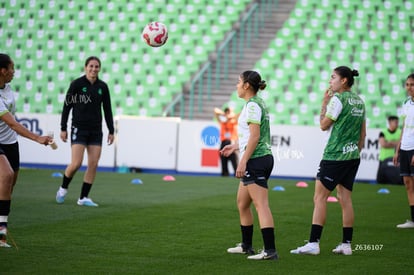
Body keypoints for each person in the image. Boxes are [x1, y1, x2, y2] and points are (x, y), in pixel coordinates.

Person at [290, 66, 366, 256]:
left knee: (319, 197)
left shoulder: (337, 99)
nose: (330, 81)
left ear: (344, 81)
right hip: (352, 156)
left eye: (333, 77)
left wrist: (325, 102)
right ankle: (346, 244)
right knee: (345, 199)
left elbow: (324, 125)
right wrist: (354, 152)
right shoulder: (360, 101)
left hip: (334, 156)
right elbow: (362, 133)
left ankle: (313, 243)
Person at [221, 70, 278, 260]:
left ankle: (270, 251)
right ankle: (246, 246)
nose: (236, 85)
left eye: (238, 82)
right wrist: (235, 146)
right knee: (242, 203)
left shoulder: (253, 105)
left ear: (246, 85)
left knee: (261, 205)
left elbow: (255, 136)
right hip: (259, 157)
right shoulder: (254, 104)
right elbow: (251, 136)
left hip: (256, 159)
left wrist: (243, 160)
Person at [0, 53, 52, 247]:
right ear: (2, 70)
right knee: (5, 176)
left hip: (10, 143)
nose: (14, 72)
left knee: (9, 186)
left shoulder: (8, 88)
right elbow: (12, 123)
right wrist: (37, 138)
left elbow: (13, 120)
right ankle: (1, 232)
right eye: (11, 68)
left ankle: (1, 225)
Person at [56, 56, 114, 207]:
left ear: (99, 69)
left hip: (96, 130)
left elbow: (107, 110)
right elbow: (67, 107)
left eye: (96, 66)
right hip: (79, 128)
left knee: (93, 164)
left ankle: (83, 197)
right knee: (76, 163)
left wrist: (111, 130)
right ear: (85, 67)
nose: (94, 69)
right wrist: (63, 128)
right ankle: (63, 188)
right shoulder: (76, 84)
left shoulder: (103, 86)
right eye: (91, 66)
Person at [393, 73, 414, 229]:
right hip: (405, 147)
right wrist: (397, 149)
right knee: (407, 183)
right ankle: (412, 220)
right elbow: (404, 127)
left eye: (412, 84)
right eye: (407, 84)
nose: (409, 87)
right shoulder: (406, 103)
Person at [377, 115, 402, 184]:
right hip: (383, 159)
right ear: (390, 122)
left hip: (396, 160)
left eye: (397, 122)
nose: (397, 124)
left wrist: (390, 142)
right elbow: (383, 144)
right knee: (380, 180)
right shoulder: (383, 132)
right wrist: (397, 143)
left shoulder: (400, 132)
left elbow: (401, 143)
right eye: (395, 122)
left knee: (398, 181)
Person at [214, 107, 238, 176]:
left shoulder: (234, 121)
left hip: (232, 143)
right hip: (223, 143)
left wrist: (229, 116)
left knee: (235, 163)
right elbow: (215, 110)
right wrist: (224, 114)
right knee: (223, 162)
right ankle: (225, 174)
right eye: (227, 112)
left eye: (229, 112)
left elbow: (238, 115)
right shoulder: (222, 122)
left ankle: (237, 175)